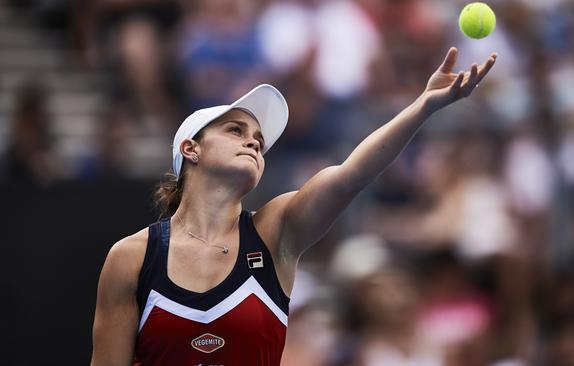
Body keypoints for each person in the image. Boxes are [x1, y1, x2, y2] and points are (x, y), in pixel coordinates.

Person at [90, 47, 497, 365]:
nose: (253, 141)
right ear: (190, 148)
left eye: (258, 140)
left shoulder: (276, 230)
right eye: (236, 130)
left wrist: (423, 106)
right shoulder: (131, 259)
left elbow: (351, 175)